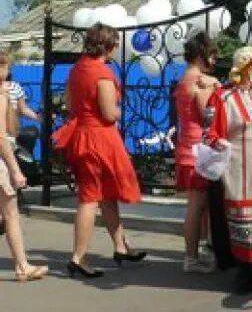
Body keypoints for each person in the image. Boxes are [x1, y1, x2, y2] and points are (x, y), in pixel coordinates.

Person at [53, 23, 146, 278]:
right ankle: (78, 258)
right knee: (90, 198)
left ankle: (120, 246)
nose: (116, 48)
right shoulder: (102, 74)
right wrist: (118, 111)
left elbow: (70, 105)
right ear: (107, 45)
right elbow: (108, 113)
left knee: (105, 194)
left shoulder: (77, 69)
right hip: (100, 140)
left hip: (81, 136)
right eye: (114, 43)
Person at [205, 45, 252, 294]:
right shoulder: (223, 97)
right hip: (240, 170)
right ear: (247, 69)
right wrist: (218, 141)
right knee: (245, 222)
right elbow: (209, 132)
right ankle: (246, 273)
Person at [176, 32, 221, 274]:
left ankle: (196, 254)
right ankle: (192, 258)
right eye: (212, 54)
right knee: (197, 206)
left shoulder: (185, 79)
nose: (214, 60)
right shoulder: (202, 81)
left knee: (198, 206)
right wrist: (216, 87)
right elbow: (209, 116)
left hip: (188, 146)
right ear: (202, 55)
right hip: (200, 150)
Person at [0, 86, 48, 281]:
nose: (8, 83)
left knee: (8, 214)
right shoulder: (1, 97)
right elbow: (1, 138)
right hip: (2, 160)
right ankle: (22, 267)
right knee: (11, 214)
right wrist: (15, 170)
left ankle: (22, 266)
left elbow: (22, 109)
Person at [2, 51, 38, 140]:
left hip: (10, 133)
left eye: (4, 67)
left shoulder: (15, 87)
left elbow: (23, 109)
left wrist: (39, 117)